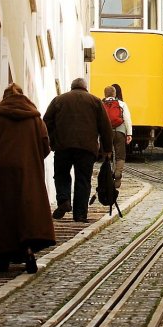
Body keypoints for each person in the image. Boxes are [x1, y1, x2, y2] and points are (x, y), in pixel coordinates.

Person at [0, 83, 54, 274]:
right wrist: (31, 158)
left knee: (4, 214)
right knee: (27, 213)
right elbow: (46, 146)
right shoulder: (35, 119)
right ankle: (28, 253)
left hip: (3, 173)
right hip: (29, 173)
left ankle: (3, 257)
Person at [43, 77, 113, 222]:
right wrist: (107, 149)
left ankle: (64, 200)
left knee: (61, 175)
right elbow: (105, 127)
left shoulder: (59, 100)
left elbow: (46, 122)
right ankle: (80, 214)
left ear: (72, 87)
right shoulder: (95, 101)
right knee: (83, 180)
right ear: (85, 88)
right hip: (86, 148)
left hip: (63, 146)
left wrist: (50, 141)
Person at [102, 84, 132, 188]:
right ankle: (118, 174)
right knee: (120, 155)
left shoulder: (101, 104)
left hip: (106, 133)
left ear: (105, 94)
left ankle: (107, 176)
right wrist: (129, 134)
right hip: (120, 132)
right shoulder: (121, 104)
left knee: (107, 153)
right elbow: (127, 119)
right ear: (115, 94)